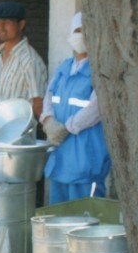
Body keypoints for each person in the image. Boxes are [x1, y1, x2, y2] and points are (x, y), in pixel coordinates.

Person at [40, 12, 111, 203]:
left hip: (86, 159)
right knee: (58, 215)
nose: (82, 35)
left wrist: (67, 127)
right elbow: (49, 96)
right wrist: (48, 120)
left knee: (84, 215)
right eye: (78, 30)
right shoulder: (64, 67)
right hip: (60, 158)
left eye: (87, 30)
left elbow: (96, 108)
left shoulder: (100, 70)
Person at [0, 1, 47, 119]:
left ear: (21, 25)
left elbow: (39, 105)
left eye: (7, 22)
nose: (1, 27)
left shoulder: (30, 60)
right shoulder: (1, 54)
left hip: (18, 130)